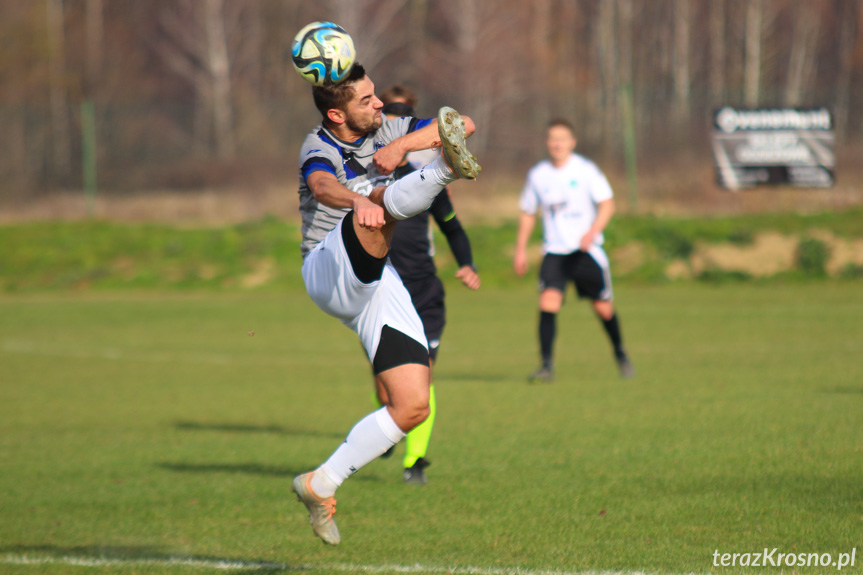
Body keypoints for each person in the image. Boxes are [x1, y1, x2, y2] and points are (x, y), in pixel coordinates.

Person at [291, 62, 480, 546]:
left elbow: (464, 125)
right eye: (366, 101)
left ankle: (321, 483)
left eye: (376, 96)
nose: (378, 105)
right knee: (377, 203)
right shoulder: (320, 144)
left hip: (378, 280)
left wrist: (399, 145)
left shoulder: (388, 127)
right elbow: (321, 186)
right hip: (328, 266)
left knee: (413, 403)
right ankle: (443, 170)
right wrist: (357, 202)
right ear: (337, 114)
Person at [372, 97, 482, 486]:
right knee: (386, 384)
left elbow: (453, 228)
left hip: (423, 291)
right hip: (380, 293)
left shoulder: (429, 179)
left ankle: (414, 460)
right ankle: (389, 425)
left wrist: (467, 263)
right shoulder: (369, 177)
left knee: (422, 377)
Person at [513, 119, 633, 383]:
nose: (557, 144)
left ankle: (620, 352)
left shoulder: (586, 170)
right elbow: (528, 212)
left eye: (562, 139)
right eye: (553, 139)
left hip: (585, 252)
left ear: (572, 142)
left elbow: (608, 204)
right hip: (555, 252)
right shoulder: (538, 174)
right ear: (547, 143)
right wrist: (520, 249)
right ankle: (546, 365)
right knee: (548, 303)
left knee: (603, 309)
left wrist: (592, 233)